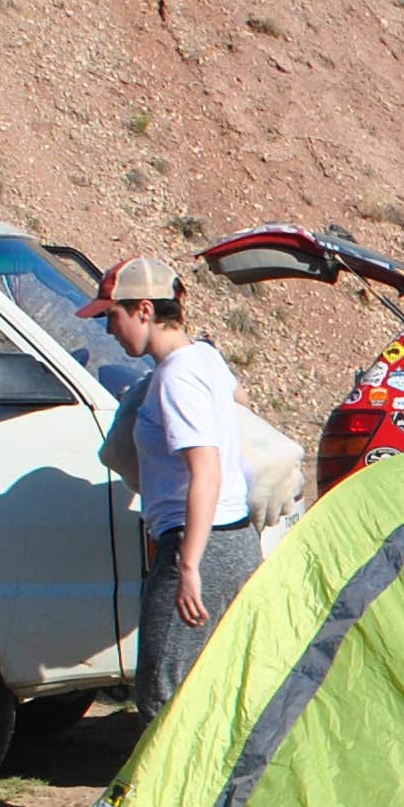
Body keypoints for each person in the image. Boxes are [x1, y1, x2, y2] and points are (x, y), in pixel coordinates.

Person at [82, 255, 254, 718]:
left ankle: (172, 793)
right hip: (235, 540)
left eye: (111, 317)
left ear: (142, 310)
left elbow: (207, 471)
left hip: (199, 543)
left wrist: (189, 566)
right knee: (213, 693)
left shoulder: (177, 377)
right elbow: (238, 400)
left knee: (163, 693)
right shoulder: (204, 357)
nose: (108, 331)